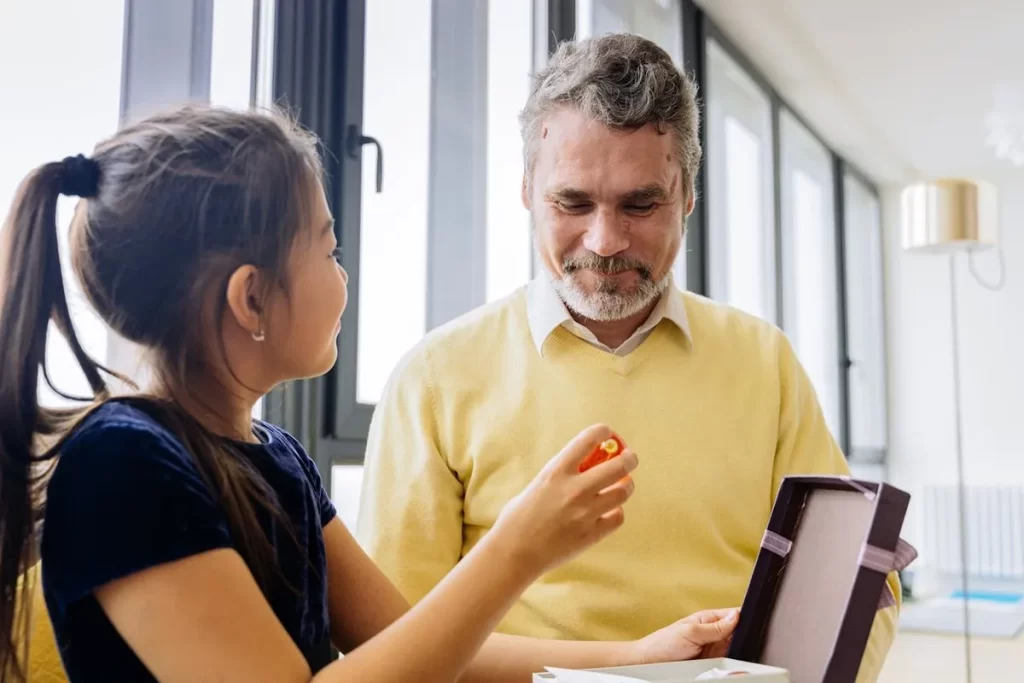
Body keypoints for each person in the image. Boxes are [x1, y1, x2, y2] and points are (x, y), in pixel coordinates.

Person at [0, 105, 739, 683]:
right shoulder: (122, 470)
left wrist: (643, 654)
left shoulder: (276, 456)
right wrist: (515, 549)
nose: (343, 275)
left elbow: (421, 646)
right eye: (326, 247)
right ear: (252, 299)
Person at [357, 32, 902, 682]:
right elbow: (396, 640)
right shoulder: (434, 380)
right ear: (528, 191)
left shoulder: (765, 361)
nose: (605, 240)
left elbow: (863, 595)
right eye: (572, 202)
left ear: (688, 198)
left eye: (640, 204)